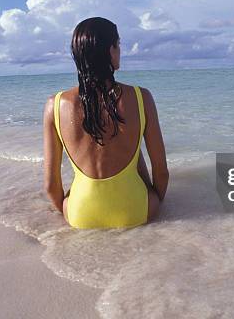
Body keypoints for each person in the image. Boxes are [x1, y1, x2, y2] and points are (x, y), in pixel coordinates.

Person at [43, 17, 169, 229]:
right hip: (135, 210)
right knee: (134, 148)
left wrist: (67, 209)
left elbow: (50, 186)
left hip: (81, 214)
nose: (119, 50)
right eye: (118, 45)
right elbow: (162, 171)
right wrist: (155, 200)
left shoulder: (54, 105)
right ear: (110, 50)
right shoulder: (141, 97)